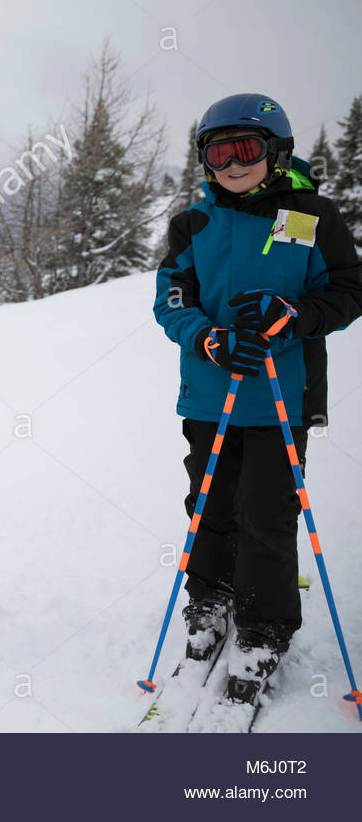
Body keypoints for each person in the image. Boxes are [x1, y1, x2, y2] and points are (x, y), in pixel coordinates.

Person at [154, 93, 362, 704]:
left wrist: (295, 315)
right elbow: (171, 300)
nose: (232, 163)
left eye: (245, 149)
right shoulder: (193, 223)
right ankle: (210, 598)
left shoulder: (312, 215)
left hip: (277, 399)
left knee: (266, 514)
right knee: (209, 505)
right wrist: (208, 337)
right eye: (219, 152)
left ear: (275, 151)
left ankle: (265, 624)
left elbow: (350, 290)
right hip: (209, 397)